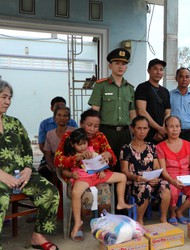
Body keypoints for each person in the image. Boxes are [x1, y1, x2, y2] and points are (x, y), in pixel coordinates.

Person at [0, 80, 59, 250]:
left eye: (10, 98)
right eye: (4, 97)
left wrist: (27, 169)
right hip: (1, 178)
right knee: (1, 199)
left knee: (50, 192)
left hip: (21, 175)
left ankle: (38, 237)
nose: (8, 101)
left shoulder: (15, 123)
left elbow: (27, 150)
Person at [54, 109, 119, 241]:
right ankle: (79, 224)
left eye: (96, 126)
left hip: (97, 176)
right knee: (87, 197)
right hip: (77, 177)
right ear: (81, 123)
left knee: (105, 195)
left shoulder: (100, 136)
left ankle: (102, 225)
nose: (92, 129)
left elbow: (113, 157)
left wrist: (108, 155)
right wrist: (76, 158)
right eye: (89, 125)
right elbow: (58, 160)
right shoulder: (70, 136)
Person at [61, 128, 132, 241]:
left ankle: (121, 202)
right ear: (72, 144)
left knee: (122, 177)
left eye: (84, 143)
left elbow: (100, 162)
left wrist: (101, 171)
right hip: (83, 178)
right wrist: (71, 175)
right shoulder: (70, 155)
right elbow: (63, 171)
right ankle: (77, 222)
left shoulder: (91, 150)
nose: (83, 147)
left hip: (97, 176)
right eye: (80, 145)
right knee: (76, 193)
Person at [88, 48, 136, 171]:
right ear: (110, 66)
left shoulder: (130, 88)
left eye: (124, 64)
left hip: (125, 133)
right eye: (117, 63)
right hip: (106, 132)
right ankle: (107, 190)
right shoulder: (101, 85)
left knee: (124, 164)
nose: (121, 67)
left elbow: (132, 113)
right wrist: (93, 132)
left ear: (126, 67)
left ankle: (122, 190)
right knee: (105, 164)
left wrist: (135, 132)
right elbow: (95, 111)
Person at [120, 116, 170, 225]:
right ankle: (139, 220)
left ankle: (163, 219)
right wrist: (136, 177)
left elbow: (156, 167)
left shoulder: (152, 146)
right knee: (144, 187)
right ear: (132, 128)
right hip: (135, 182)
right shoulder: (126, 148)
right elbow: (124, 171)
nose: (142, 131)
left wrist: (156, 178)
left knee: (165, 185)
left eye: (145, 128)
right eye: (139, 128)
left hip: (151, 179)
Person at [156, 116, 190, 225]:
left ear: (181, 128)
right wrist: (173, 181)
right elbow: (163, 171)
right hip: (171, 178)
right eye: (171, 127)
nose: (174, 129)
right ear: (166, 129)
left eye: (177, 126)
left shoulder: (188, 145)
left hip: (187, 179)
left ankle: (180, 211)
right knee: (172, 191)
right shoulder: (160, 147)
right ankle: (172, 214)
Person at [135, 58, 170, 144]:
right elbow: (141, 111)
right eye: (155, 69)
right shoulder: (142, 87)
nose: (158, 72)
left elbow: (167, 112)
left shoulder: (165, 91)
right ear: (148, 70)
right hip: (146, 133)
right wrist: (158, 128)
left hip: (162, 135)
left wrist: (163, 129)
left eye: (161, 69)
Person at [42, 106, 75, 183]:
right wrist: (54, 168)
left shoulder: (74, 132)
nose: (62, 118)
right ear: (54, 118)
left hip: (72, 164)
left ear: (69, 118)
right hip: (55, 165)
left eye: (65, 115)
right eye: (59, 115)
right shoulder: (49, 134)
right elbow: (48, 156)